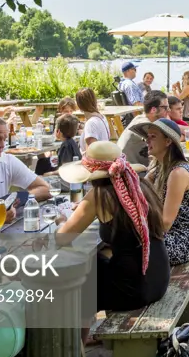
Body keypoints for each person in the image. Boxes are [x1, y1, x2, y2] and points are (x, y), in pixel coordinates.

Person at [57, 140, 170, 329]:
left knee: (79, 273)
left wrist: (61, 221)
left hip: (133, 289)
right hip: (158, 278)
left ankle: (78, 342)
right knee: (95, 261)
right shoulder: (140, 186)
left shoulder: (99, 195)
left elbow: (62, 237)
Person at [141, 118, 189, 265]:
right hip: (164, 237)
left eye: (153, 137)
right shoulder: (158, 169)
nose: (147, 141)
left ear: (168, 141)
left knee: (122, 248)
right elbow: (136, 193)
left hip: (180, 242)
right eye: (147, 137)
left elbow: (165, 223)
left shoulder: (178, 173)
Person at [117, 91, 170, 166]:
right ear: (153, 110)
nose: (169, 110)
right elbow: (169, 142)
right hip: (131, 172)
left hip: (135, 168)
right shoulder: (144, 124)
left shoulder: (144, 119)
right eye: (165, 107)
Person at [77, 87, 111, 154]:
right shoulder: (102, 117)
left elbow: (91, 153)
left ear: (79, 105)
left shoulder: (90, 123)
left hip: (96, 162)